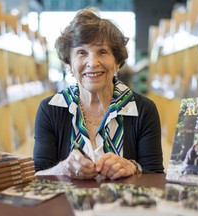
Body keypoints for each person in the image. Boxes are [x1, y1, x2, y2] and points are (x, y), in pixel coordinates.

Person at [33, 7, 164, 180]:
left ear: (117, 62)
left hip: (123, 206)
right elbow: (37, 175)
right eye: (81, 52)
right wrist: (63, 168)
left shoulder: (143, 109)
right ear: (69, 64)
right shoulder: (50, 110)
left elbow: (155, 177)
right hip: (66, 206)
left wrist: (132, 167)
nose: (92, 63)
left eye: (102, 52)